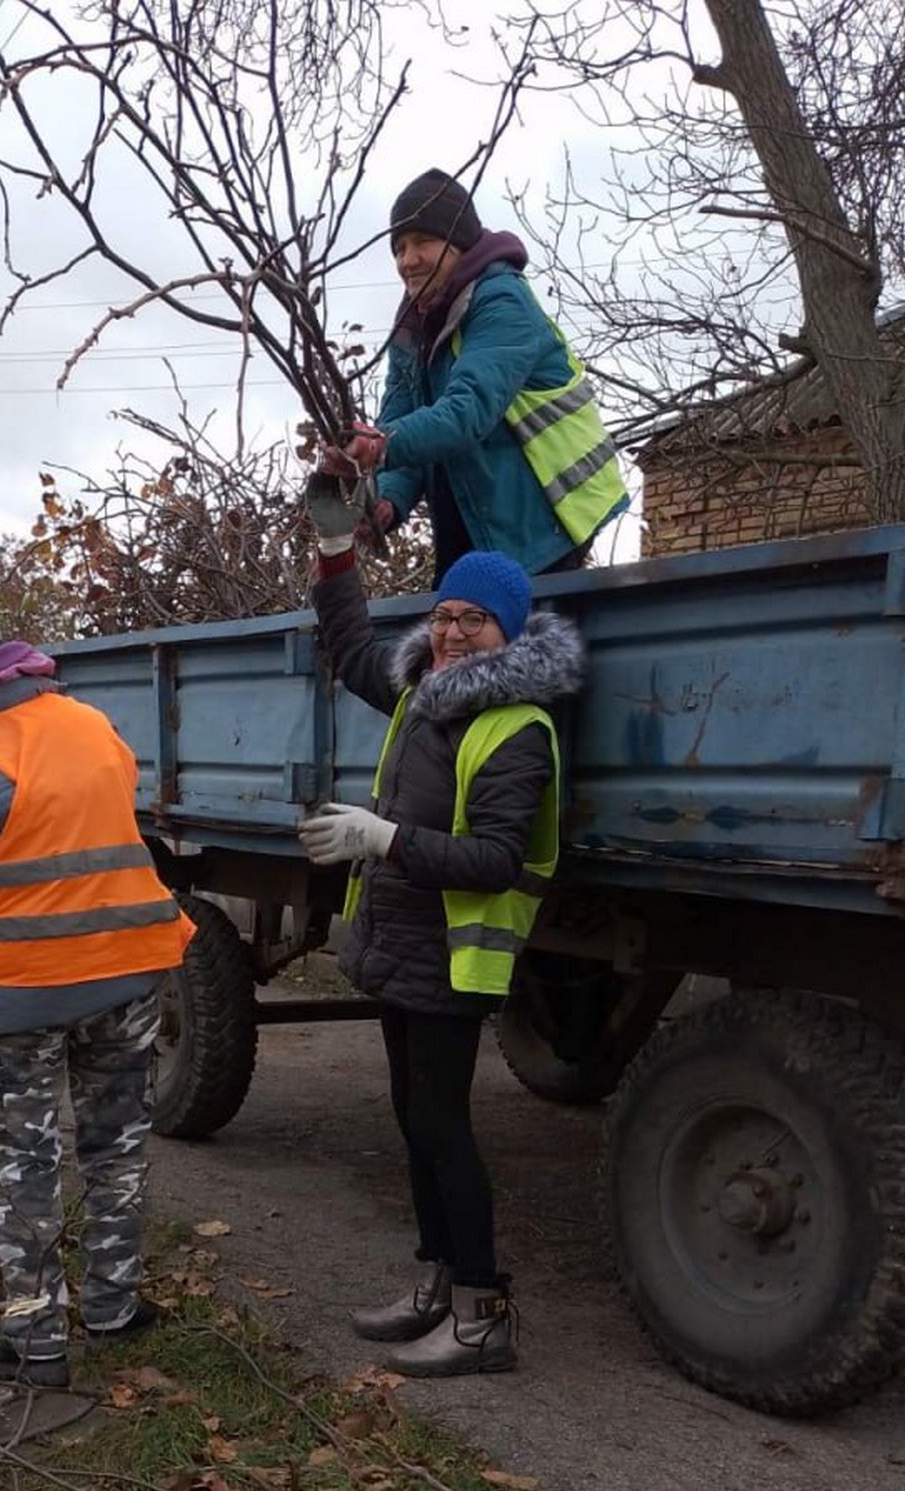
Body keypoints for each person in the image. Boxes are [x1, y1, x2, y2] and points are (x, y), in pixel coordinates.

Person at [298, 479, 584, 1374]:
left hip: (455, 958)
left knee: (444, 1126)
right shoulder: (427, 696)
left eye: (477, 621)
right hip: (401, 945)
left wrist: (381, 838)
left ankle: (483, 1315)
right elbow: (349, 651)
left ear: (510, 631)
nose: (456, 633)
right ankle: (435, 1281)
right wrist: (338, 552)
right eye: (447, 614)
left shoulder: (514, 726)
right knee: (413, 1120)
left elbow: (499, 858)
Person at [0, 605, 194, 1391]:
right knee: (116, 1142)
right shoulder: (92, 725)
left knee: (24, 1158)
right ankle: (115, 1303)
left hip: (21, 993)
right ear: (9, 655)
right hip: (128, 971)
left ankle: (35, 1339)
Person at [321, 168, 628, 581]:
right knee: (462, 635)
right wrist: (389, 499)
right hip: (473, 521)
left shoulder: (503, 302)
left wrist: (376, 447)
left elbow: (466, 412)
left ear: (458, 244)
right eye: (399, 248)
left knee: (511, 638)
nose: (407, 260)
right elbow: (400, 430)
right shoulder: (413, 326)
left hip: (541, 525)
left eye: (423, 242)